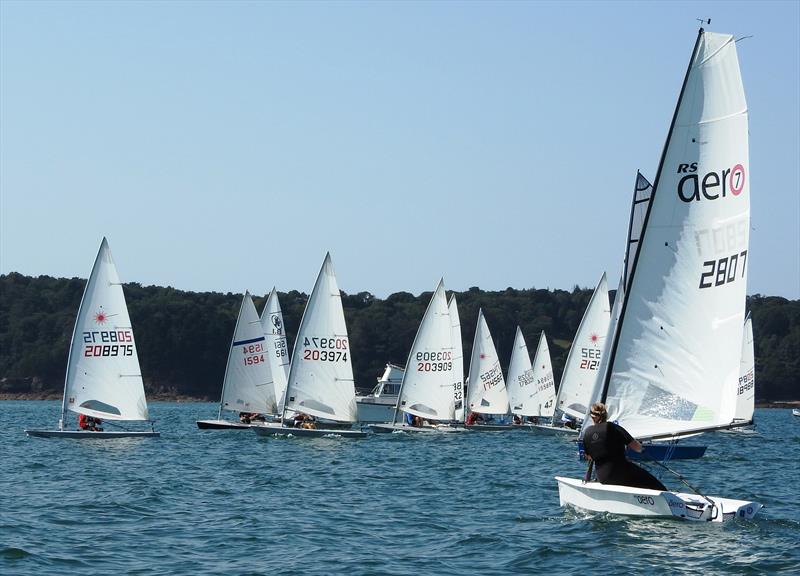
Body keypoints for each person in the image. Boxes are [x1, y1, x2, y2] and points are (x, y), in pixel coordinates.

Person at [582, 402, 666, 491]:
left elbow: (589, 456)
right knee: (654, 484)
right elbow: (637, 447)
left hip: (602, 477)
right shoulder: (612, 427)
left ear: (592, 416)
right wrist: (641, 449)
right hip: (621, 472)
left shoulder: (587, 432)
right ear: (606, 415)